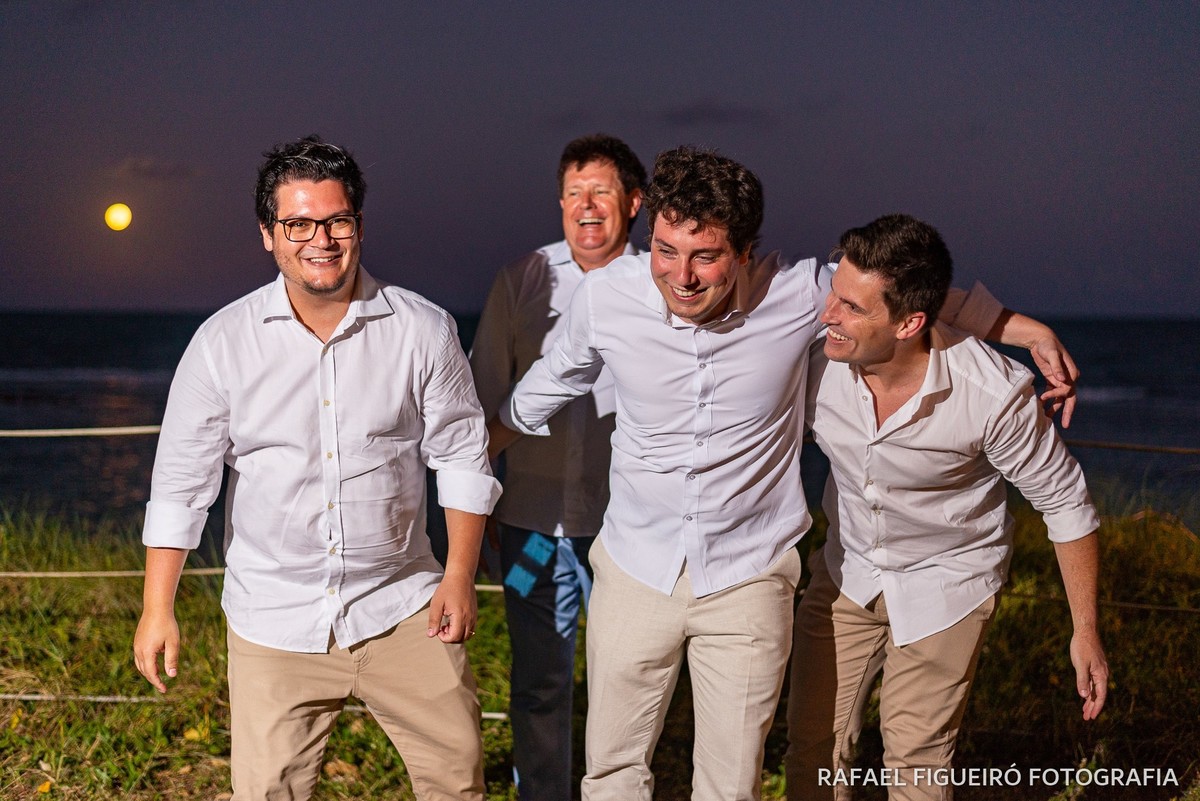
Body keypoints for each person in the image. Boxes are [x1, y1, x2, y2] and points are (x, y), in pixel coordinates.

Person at [488, 146, 1074, 801]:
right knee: (612, 773)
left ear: (743, 254)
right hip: (633, 567)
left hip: (748, 577)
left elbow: (910, 293)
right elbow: (547, 384)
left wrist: (1028, 330)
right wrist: (482, 447)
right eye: (665, 250)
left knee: (731, 785)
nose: (680, 276)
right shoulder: (605, 298)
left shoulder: (801, 292)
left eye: (704, 256)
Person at [132, 135, 500, 801]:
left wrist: (459, 575)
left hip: (403, 606)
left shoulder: (424, 329)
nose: (320, 238)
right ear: (269, 235)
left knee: (457, 777)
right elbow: (182, 486)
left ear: (359, 225)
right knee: (270, 791)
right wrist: (158, 607)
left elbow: (463, 458)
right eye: (298, 223)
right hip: (273, 619)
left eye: (336, 220)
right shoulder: (222, 343)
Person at [784, 214, 1107, 801]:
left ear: (909, 323)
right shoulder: (816, 358)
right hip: (846, 572)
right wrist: (1030, 328)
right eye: (835, 295)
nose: (829, 314)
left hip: (948, 586)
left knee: (915, 763)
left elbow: (1066, 505)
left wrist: (1085, 631)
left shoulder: (993, 395)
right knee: (811, 750)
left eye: (853, 308)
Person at [469, 133, 646, 800]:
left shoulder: (659, 283)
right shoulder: (522, 280)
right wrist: (478, 507)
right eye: (572, 194)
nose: (585, 206)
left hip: (625, 532)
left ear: (634, 201)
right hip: (529, 528)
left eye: (600, 191)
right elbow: (485, 402)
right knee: (538, 681)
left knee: (624, 682)